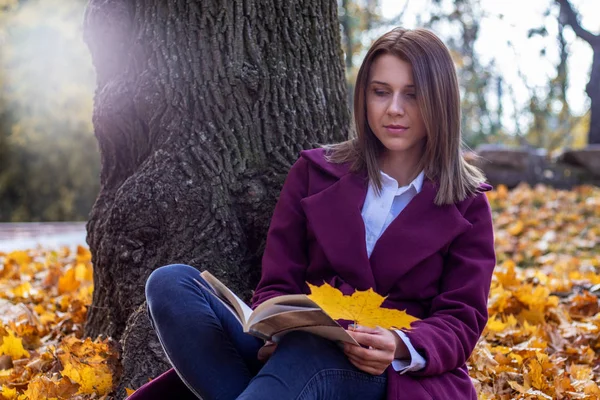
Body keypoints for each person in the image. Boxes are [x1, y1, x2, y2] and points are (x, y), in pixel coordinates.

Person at [129, 27, 496, 400]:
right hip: (291, 350)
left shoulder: (468, 204)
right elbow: (277, 282)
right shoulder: (314, 172)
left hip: (390, 376)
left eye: (413, 95)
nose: (394, 109)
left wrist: (399, 344)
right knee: (171, 283)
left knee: (311, 352)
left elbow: (461, 320)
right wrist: (277, 329)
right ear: (363, 97)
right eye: (380, 92)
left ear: (440, 100)